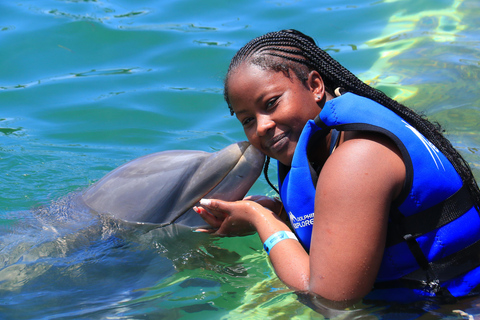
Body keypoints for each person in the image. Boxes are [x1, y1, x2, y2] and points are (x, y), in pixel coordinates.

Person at [193, 29, 480, 303]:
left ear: (315, 86)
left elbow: (330, 298)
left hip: (458, 306)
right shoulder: (331, 142)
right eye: (247, 121)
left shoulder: (358, 158)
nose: (263, 126)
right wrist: (278, 211)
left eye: (271, 103)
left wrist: (261, 219)